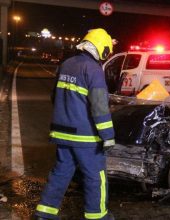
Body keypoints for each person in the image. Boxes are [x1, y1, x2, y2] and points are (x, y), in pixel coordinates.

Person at [35, 28, 116, 220]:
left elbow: (54, 96)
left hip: (61, 132)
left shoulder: (66, 64)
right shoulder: (94, 70)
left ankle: (44, 214)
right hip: (85, 137)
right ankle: (98, 216)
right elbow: (99, 107)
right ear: (102, 49)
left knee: (60, 173)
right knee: (96, 177)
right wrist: (108, 136)